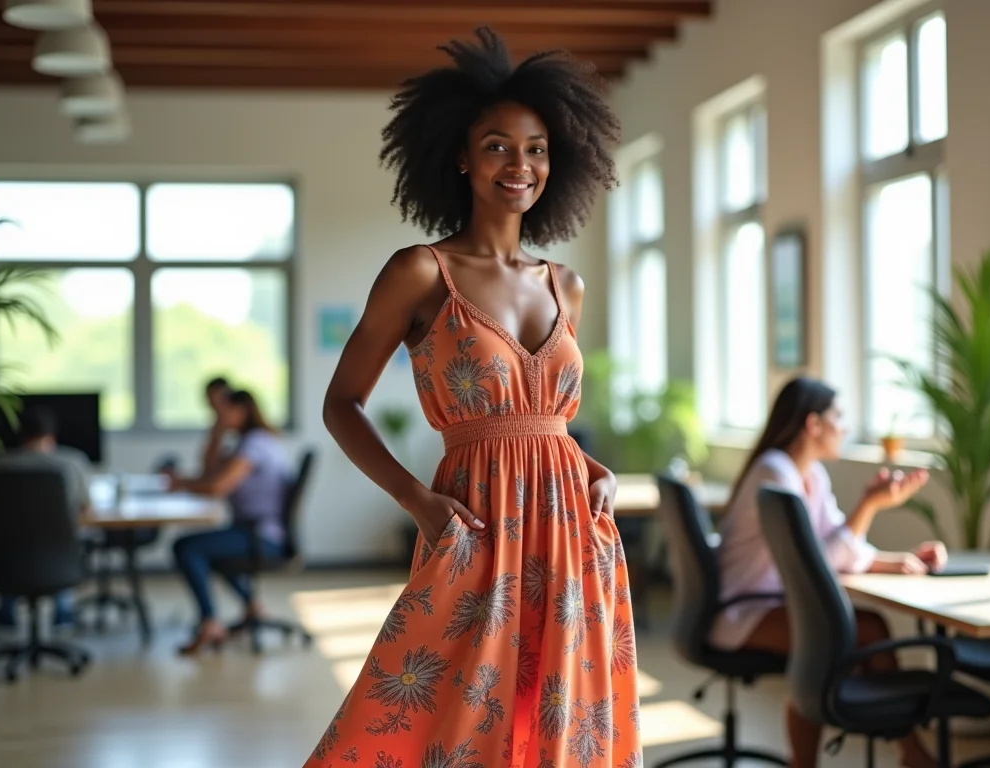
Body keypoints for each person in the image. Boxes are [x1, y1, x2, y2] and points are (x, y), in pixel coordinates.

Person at [303, 27, 641, 767]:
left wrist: (592, 471)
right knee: (448, 717)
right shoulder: (421, 272)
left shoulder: (566, 286)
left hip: (570, 533)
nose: (520, 165)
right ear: (459, 156)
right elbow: (341, 404)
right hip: (476, 523)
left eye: (537, 148)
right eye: (497, 145)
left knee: (555, 720)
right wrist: (415, 501)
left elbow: (548, 422)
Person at [712, 377, 946, 768]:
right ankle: (910, 754)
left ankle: (908, 753)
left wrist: (899, 560)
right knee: (833, 638)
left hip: (771, 605)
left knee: (861, 628)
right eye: (838, 416)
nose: (846, 427)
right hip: (742, 612)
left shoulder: (811, 476)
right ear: (813, 424)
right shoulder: (776, 474)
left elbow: (835, 545)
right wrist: (869, 506)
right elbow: (816, 560)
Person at [164, 389, 292, 656]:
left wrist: (181, 484)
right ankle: (251, 604)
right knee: (209, 548)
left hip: (262, 537)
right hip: (253, 531)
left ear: (241, 411)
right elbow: (209, 470)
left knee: (187, 548)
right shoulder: (247, 441)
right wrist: (216, 434)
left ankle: (210, 621)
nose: (217, 416)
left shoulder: (255, 445)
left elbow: (216, 487)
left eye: (223, 411)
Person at [0, 405, 91, 633]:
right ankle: (62, 612)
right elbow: (85, 507)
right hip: (60, 559)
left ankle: (6, 612)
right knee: (62, 538)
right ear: (52, 436)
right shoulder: (72, 464)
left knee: (12, 541)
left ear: (21, 435)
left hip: (5, 560)